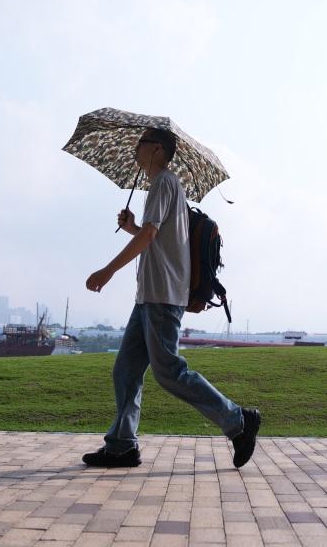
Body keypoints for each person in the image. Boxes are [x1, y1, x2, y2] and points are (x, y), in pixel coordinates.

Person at [83, 126, 260, 469]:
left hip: (162, 296)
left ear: (158, 149)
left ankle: (239, 421)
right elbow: (155, 236)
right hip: (150, 296)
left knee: (169, 372)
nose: (136, 148)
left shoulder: (164, 182)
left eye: (142, 143)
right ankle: (121, 446)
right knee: (125, 371)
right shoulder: (164, 186)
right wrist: (133, 227)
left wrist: (108, 270)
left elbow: (150, 236)